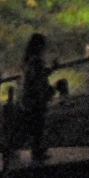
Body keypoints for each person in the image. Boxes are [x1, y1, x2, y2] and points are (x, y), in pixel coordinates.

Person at [20, 34, 52, 164]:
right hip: (36, 97)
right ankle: (37, 151)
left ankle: (37, 149)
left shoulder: (29, 60)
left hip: (31, 96)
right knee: (38, 123)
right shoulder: (36, 61)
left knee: (35, 123)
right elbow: (38, 77)